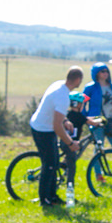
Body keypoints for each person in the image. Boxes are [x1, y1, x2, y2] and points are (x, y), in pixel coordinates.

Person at [30, 66, 84, 206]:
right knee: (48, 165)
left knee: (54, 163)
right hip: (43, 130)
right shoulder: (63, 97)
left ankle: (53, 196)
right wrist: (71, 143)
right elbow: (56, 127)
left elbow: (56, 114)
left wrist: (65, 120)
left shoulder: (59, 85)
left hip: (42, 126)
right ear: (78, 80)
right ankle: (45, 200)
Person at [83, 63, 112, 182]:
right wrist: (86, 119)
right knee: (98, 149)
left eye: (107, 71)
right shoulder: (90, 87)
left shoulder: (111, 86)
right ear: (96, 73)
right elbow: (82, 104)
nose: (105, 73)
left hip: (110, 122)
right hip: (96, 122)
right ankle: (98, 175)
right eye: (102, 71)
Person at [61, 92, 89, 188]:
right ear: (77, 104)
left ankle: (63, 164)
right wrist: (100, 122)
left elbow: (87, 119)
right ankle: (70, 191)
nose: (83, 106)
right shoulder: (78, 116)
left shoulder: (69, 114)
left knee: (68, 161)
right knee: (72, 167)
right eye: (82, 104)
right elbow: (90, 121)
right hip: (70, 144)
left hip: (65, 142)